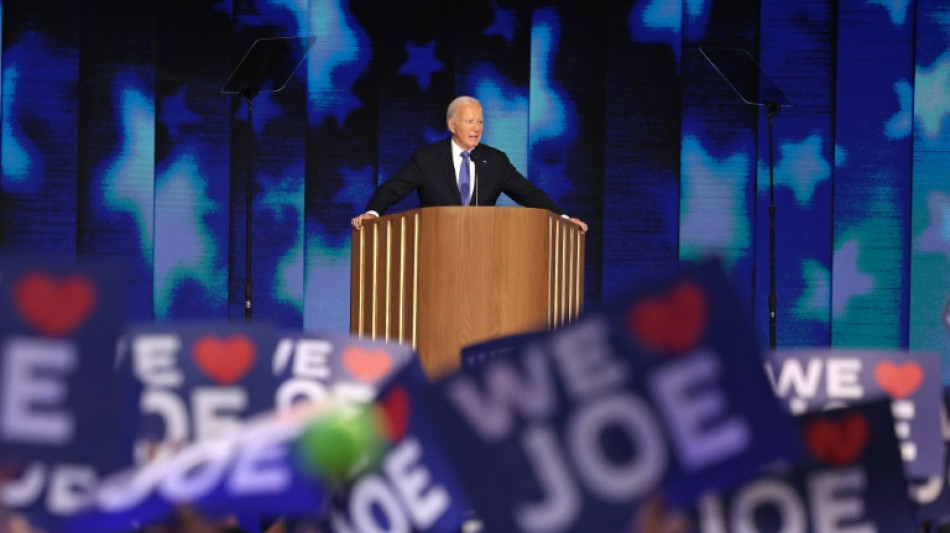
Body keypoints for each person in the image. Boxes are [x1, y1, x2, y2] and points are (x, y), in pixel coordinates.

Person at [350, 96, 588, 234]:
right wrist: (372, 213)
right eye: (470, 121)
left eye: (480, 122)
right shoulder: (428, 158)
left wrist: (564, 218)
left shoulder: (495, 161)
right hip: (436, 248)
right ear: (452, 125)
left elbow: (529, 193)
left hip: (483, 249)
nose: (477, 128)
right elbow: (393, 188)